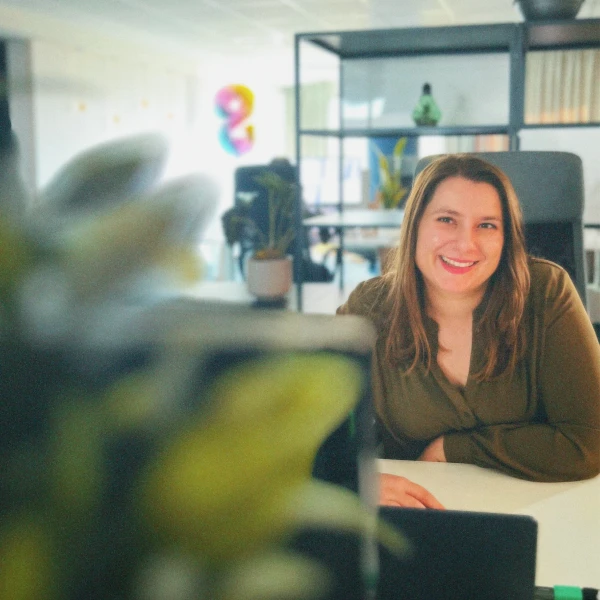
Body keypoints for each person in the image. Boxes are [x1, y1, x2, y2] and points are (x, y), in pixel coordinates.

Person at [337, 154, 600, 506]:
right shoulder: (370, 307)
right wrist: (351, 479)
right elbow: (295, 421)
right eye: (447, 220)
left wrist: (453, 448)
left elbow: (589, 442)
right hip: (418, 514)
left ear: (507, 238)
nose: (465, 244)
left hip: (538, 506)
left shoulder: (546, 291)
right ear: (415, 225)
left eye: (487, 225)